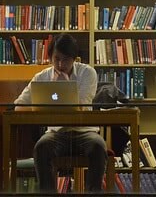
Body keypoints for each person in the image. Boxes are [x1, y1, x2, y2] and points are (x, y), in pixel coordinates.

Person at [14, 34, 107, 193]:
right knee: (41, 147)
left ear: (75, 58)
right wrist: (39, 108)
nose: (60, 64)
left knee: (98, 146)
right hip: (57, 133)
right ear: (50, 57)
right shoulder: (42, 77)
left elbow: (82, 107)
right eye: (56, 59)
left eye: (66, 60)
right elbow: (19, 106)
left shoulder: (87, 73)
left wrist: (64, 83)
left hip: (85, 131)